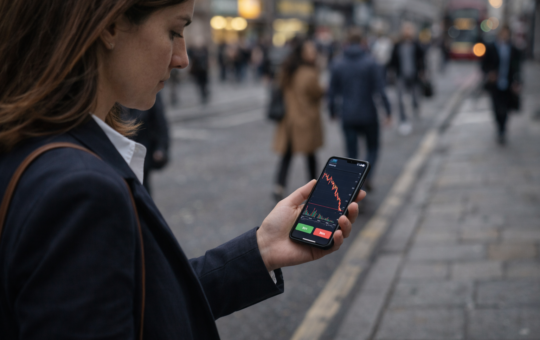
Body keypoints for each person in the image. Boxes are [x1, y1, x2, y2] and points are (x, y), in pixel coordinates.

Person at [0, 1, 366, 339]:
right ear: (109, 26)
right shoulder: (80, 192)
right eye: (174, 31)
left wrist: (260, 250)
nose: (183, 58)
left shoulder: (30, 145)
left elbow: (149, 302)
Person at [328, 30, 392, 192]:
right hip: (368, 114)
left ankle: (355, 184)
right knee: (373, 148)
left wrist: (332, 111)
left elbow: (332, 92)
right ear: (362, 43)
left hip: (347, 114)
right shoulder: (371, 62)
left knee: (351, 155)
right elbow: (380, 89)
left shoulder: (338, 63)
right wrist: (388, 111)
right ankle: (365, 178)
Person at [273, 39, 324, 201]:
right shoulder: (309, 73)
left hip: (289, 120)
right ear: (303, 54)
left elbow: (279, 87)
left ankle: (279, 186)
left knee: (287, 156)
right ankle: (314, 186)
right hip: (306, 119)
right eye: (311, 51)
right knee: (310, 155)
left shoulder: (287, 70)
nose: (314, 53)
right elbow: (317, 93)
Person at [481, 25, 522, 145]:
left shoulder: (514, 49)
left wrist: (517, 82)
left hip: (508, 84)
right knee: (496, 109)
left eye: (507, 33)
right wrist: (489, 74)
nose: (505, 35)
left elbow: (517, 68)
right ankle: (499, 127)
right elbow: (484, 65)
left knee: (505, 109)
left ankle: (502, 130)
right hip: (495, 85)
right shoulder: (491, 47)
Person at [123, 92, 170, 195]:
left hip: (141, 148)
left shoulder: (150, 89)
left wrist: (161, 147)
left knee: (142, 188)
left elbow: (159, 120)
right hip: (124, 150)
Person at [388, 22, 425, 135]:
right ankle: (403, 120)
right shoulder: (397, 45)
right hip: (401, 75)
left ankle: (415, 112)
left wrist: (422, 71)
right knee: (400, 100)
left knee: (415, 98)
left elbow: (421, 59)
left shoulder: (416, 45)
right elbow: (392, 61)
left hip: (414, 76)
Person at [188, 39, 210, 103]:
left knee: (203, 84)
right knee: (201, 84)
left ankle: (204, 94)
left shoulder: (203, 52)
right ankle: (203, 94)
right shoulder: (196, 53)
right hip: (199, 72)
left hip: (203, 71)